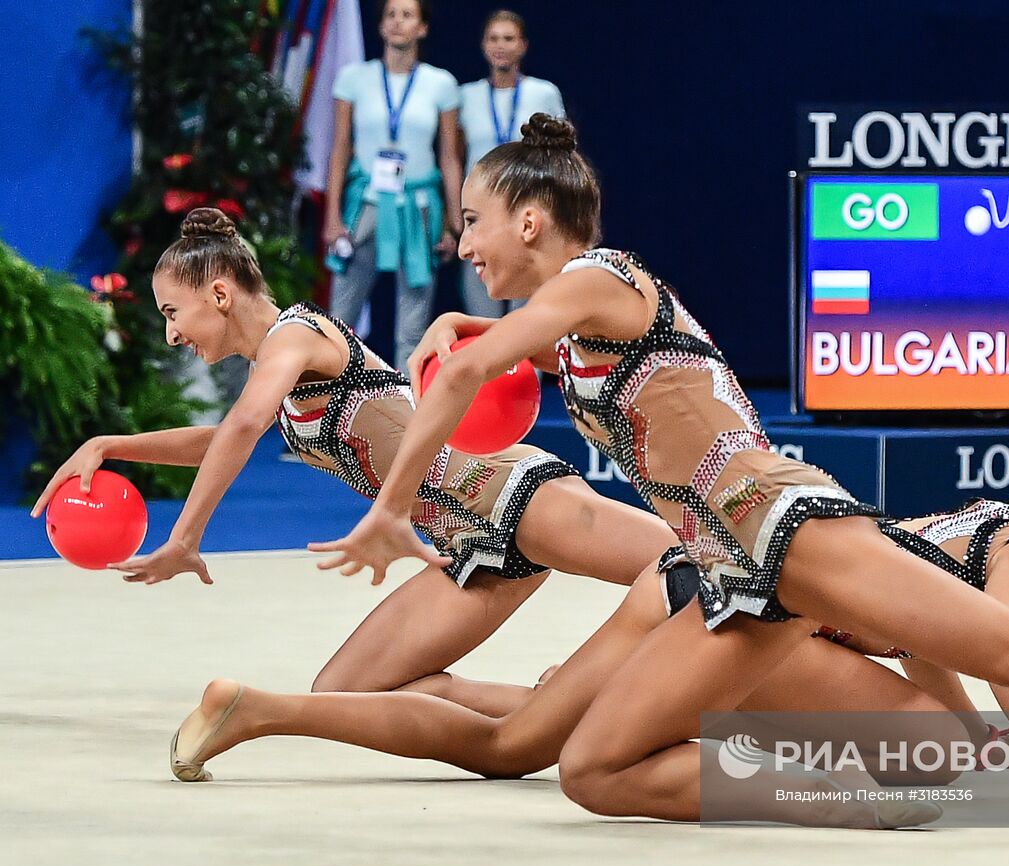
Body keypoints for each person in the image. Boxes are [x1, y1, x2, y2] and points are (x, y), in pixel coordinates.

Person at [308, 114, 1009, 836]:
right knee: (593, 774)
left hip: (786, 529)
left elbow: (488, 365)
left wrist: (392, 505)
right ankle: (839, 797)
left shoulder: (599, 278)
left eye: (473, 226)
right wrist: (462, 322)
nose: (468, 244)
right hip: (734, 576)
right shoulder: (578, 310)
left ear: (527, 220)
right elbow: (510, 347)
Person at [166, 408, 1009, 821]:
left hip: (693, 581)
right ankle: (271, 709)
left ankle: (262, 707)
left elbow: (935, 646)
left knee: (517, 738)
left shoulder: (985, 521)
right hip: (754, 610)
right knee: (927, 765)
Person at [31, 207, 677, 703]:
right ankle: (560, 705)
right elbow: (229, 432)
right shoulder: (276, 376)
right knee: (343, 694)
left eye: (173, 312)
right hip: (473, 544)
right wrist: (109, 444)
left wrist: (186, 536)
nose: (172, 333)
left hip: (512, 494)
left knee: (702, 576)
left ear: (220, 295)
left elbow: (244, 424)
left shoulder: (297, 334)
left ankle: (766, 755)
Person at [323, 0, 463, 370]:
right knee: (341, 317)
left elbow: (449, 156)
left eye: (407, 15)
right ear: (382, 26)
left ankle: (407, 414)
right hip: (365, 202)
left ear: (422, 28)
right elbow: (339, 148)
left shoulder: (441, 83)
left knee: (414, 323)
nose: (398, 22)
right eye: (391, 15)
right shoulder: (354, 78)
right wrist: (331, 215)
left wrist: (454, 220)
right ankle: (333, 405)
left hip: (418, 205)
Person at [458, 10, 565, 319]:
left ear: (523, 45)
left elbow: (560, 155)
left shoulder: (543, 92)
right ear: (483, 45)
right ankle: (488, 369)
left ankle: (532, 370)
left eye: (508, 38)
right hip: (479, 215)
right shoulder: (466, 96)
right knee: (481, 314)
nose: (500, 45)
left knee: (530, 316)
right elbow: (453, 155)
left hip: (528, 212)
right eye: (494, 38)